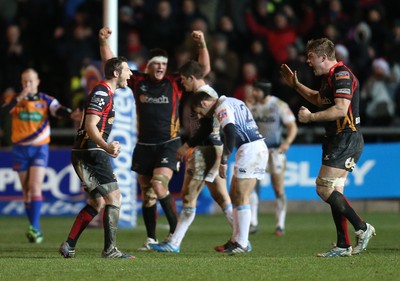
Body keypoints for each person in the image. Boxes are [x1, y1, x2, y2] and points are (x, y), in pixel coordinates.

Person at [98, 27, 210, 251]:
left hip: (168, 144)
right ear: (148, 65)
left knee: (159, 186)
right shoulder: (138, 80)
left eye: (164, 64)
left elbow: (203, 70)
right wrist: (103, 42)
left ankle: (174, 234)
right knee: (147, 194)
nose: (160, 67)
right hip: (144, 145)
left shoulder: (174, 82)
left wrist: (202, 45)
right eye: (156, 63)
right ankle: (151, 239)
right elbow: (112, 67)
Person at [280, 38, 376, 257]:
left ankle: (362, 227)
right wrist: (296, 86)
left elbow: (341, 109)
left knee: (324, 188)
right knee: (335, 191)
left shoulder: (342, 75)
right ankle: (343, 245)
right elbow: (318, 98)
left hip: (346, 138)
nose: (307, 61)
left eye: (311, 56)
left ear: (323, 57)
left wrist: (311, 117)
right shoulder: (328, 78)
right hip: (337, 139)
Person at [150, 60, 233, 253]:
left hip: (205, 150)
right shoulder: (206, 94)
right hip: (212, 149)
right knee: (220, 196)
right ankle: (241, 238)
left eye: (183, 80)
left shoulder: (207, 97)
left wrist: (187, 145)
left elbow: (206, 128)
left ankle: (174, 242)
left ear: (191, 78)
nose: (182, 84)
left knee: (188, 195)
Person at [59, 56, 135, 259]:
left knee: (97, 202)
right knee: (114, 198)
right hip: (91, 152)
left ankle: (69, 245)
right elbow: (91, 126)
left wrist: (108, 144)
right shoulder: (102, 92)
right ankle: (110, 250)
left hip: (85, 152)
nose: (131, 74)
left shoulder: (105, 93)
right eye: (127, 70)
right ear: (116, 73)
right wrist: (106, 146)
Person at [0, 68, 73, 243]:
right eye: (25, 81)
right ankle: (34, 226)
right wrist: (18, 98)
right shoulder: (15, 100)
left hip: (40, 148)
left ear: (38, 82)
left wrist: (70, 113)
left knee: (34, 187)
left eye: (31, 81)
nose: (27, 84)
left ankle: (36, 228)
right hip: (20, 149)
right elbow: (4, 112)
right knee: (26, 191)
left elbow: (58, 110)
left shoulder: (45, 99)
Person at [191, 92, 269, 254]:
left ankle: (242, 243)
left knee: (241, 195)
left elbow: (231, 131)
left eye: (199, 111)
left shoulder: (222, 107)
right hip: (249, 148)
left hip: (251, 148)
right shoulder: (233, 100)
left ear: (205, 103)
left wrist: (224, 161)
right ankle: (235, 240)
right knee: (235, 194)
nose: (199, 115)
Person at [246, 80, 298, 236]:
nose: (253, 93)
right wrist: (246, 109)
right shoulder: (250, 105)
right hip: (256, 150)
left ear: (264, 91)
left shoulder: (279, 105)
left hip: (275, 150)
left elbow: (292, 127)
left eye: (256, 90)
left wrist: (287, 142)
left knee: (278, 187)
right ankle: (253, 222)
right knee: (252, 185)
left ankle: (280, 224)